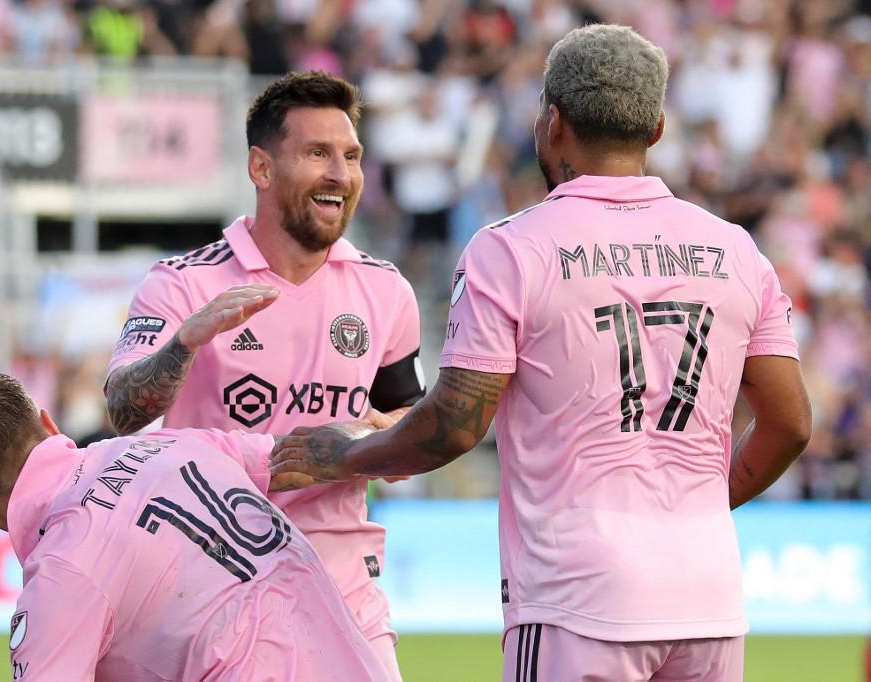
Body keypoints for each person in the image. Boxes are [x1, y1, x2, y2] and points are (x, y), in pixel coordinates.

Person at [269, 25, 812, 682]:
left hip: (576, 600)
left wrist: (342, 454)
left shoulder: (510, 250)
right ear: (658, 128)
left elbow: (453, 426)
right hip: (710, 600)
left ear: (552, 122)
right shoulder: (734, 249)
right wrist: (693, 506)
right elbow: (790, 425)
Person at [104, 71, 424, 679]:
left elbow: (408, 414)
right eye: (317, 153)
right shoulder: (183, 283)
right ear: (261, 169)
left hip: (345, 592)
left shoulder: (386, 290)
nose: (341, 173)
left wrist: (381, 439)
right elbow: (123, 409)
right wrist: (184, 343)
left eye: (351, 156)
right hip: (211, 591)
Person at [0, 366, 388, 681]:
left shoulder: (62, 573)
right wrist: (380, 433)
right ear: (48, 422)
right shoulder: (170, 444)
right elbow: (308, 455)